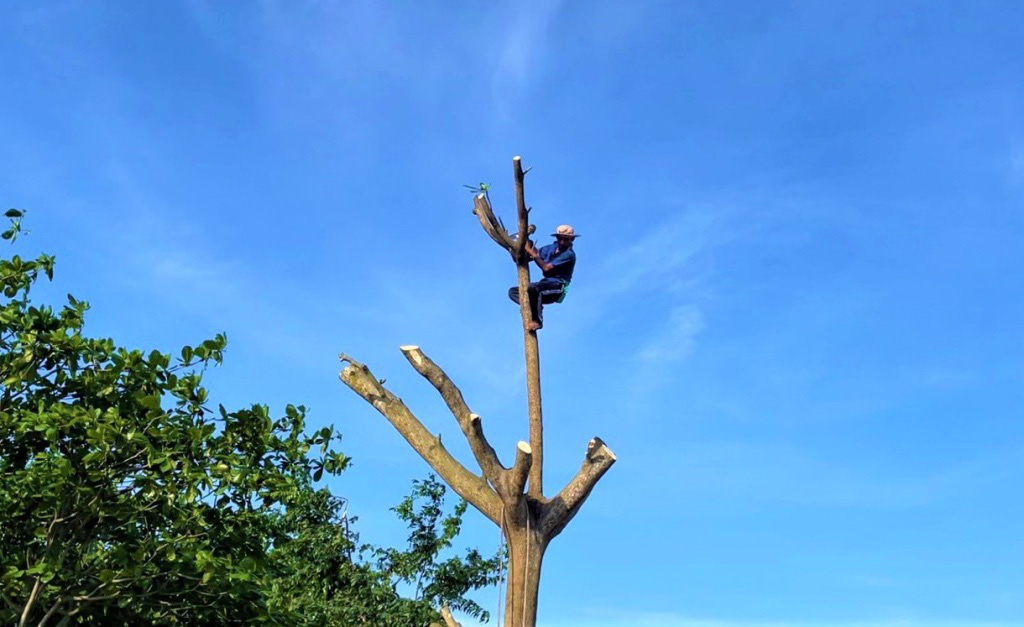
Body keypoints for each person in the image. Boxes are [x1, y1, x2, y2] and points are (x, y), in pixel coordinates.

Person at [508, 224, 578, 331]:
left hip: (557, 286)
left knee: (533, 288)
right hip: (544, 283)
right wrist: (524, 244)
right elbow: (533, 255)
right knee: (513, 292)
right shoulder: (551, 248)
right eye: (560, 239)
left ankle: (537, 321)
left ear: (571, 239)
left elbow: (546, 268)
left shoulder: (568, 254)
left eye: (566, 239)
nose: (562, 242)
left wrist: (532, 253)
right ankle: (531, 306)